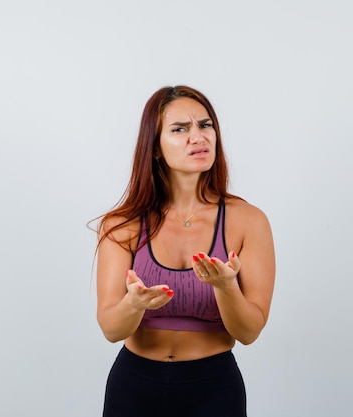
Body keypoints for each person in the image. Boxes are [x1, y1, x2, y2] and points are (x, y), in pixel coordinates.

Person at [95, 85, 275, 417]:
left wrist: (225, 287)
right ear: (156, 148)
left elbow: (249, 332)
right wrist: (133, 304)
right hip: (133, 386)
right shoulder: (123, 224)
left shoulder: (248, 221)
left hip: (214, 388)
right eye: (180, 129)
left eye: (205, 125)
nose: (198, 136)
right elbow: (110, 329)